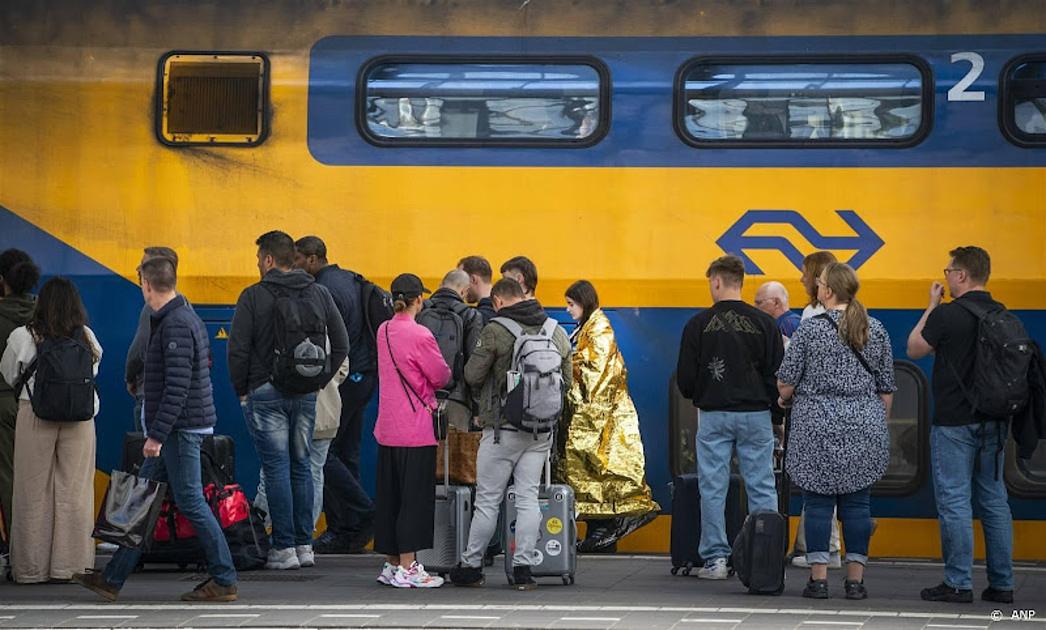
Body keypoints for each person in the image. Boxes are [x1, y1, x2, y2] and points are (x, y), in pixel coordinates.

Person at [74, 257, 238, 601]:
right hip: (177, 426)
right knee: (142, 497)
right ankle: (113, 577)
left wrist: (156, 435)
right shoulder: (176, 317)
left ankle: (224, 577)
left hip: (178, 430)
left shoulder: (175, 323)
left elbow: (176, 388)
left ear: (146, 285)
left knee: (191, 500)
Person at [228, 231, 349, 570]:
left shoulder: (253, 296)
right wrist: (319, 381)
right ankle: (303, 545)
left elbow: (237, 348)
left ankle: (283, 549)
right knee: (302, 467)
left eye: (258, 260)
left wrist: (242, 389)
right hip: (305, 394)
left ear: (268, 260)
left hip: (265, 394)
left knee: (277, 468)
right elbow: (340, 345)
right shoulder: (318, 292)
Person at [776, 262, 895, 600]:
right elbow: (886, 388)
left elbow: (786, 382)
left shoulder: (810, 330)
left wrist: (787, 397)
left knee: (817, 503)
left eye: (820, 284)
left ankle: (819, 581)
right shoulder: (876, 329)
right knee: (858, 505)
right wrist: (875, 426)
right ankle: (855, 583)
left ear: (827, 291)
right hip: (865, 424)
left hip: (816, 427)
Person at [907, 246, 1015, 604]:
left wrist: (932, 306)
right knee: (995, 501)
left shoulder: (948, 315)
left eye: (949, 270)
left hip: (955, 424)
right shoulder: (1001, 314)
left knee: (955, 501)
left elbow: (914, 349)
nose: (947, 276)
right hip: (994, 423)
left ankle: (958, 583)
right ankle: (1002, 584)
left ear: (962, 275)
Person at [449, 278, 572, 590]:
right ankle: (523, 569)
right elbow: (567, 381)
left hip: (502, 430)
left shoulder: (496, 329)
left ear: (500, 301)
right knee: (528, 497)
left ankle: (472, 566)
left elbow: (472, 374)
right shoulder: (555, 330)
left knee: (488, 500)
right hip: (541, 431)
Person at [675, 255, 783, 580]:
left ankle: (716, 561)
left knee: (713, 486)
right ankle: (766, 560)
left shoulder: (697, 325)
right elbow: (776, 375)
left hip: (714, 415)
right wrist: (775, 416)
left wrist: (704, 395)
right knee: (762, 487)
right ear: (741, 281)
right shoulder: (766, 324)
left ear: (717, 281)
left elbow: (685, 380)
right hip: (756, 415)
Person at [0, 277, 99, 584]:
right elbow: (94, 369)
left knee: (31, 490)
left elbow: (7, 372)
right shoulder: (86, 336)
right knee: (75, 490)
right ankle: (69, 567)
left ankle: (31, 569)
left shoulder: (22, 336)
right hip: (81, 419)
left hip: (35, 414)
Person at [560, 280, 660, 552]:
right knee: (595, 479)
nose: (568, 310)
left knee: (599, 475)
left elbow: (597, 375)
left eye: (571, 304)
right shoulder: (588, 328)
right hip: (598, 416)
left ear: (584, 301)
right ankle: (598, 533)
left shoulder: (599, 329)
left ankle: (603, 532)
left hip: (600, 419)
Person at [294, 236, 377, 555]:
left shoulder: (323, 290)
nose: (296, 265)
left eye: (299, 259)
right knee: (347, 451)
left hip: (344, 379)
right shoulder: (349, 279)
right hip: (365, 375)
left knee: (322, 452)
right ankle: (349, 530)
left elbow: (331, 343)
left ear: (313, 259)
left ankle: (362, 512)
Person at [372, 273, 450, 588]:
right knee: (414, 500)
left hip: (388, 428)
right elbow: (440, 376)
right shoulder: (421, 335)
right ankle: (409, 566)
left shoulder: (383, 330)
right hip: (416, 429)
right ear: (420, 299)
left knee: (390, 497)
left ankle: (391, 563)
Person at [790, 250, 843, 569]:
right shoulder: (858, 315)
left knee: (818, 482)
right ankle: (813, 547)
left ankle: (826, 550)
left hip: (816, 409)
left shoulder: (813, 314)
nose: (801, 278)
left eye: (805, 273)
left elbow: (802, 364)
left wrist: (786, 391)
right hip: (844, 411)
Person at [256, 357, 350, 531]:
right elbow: (343, 366)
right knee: (314, 474)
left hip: (287, 413)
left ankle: (257, 532)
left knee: (272, 471)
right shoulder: (331, 330)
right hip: (325, 413)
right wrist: (326, 384)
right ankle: (305, 538)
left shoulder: (279, 330)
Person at [0, 250, 38, 537]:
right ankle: (35, 545)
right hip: (37, 403)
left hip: (3, 405)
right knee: (37, 476)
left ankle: (16, 545)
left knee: (9, 476)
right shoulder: (44, 314)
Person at [419, 269, 484, 431]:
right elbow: (473, 367)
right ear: (464, 291)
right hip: (456, 400)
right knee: (452, 454)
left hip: (420, 397)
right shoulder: (470, 315)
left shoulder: (421, 309)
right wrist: (477, 408)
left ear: (441, 284)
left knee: (422, 452)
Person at [126, 247, 180, 432]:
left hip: (150, 395)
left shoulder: (152, 308)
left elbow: (139, 349)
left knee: (149, 455)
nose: (139, 273)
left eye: (143, 267)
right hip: (175, 401)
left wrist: (130, 377)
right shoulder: (185, 306)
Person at [755, 281, 802, 345]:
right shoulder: (792, 323)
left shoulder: (788, 325)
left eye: (759, 303)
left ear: (776, 303)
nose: (755, 307)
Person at [458, 255, 496, 323]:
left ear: (473, 279)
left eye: (461, 280)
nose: (460, 286)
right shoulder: (502, 306)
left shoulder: (480, 316)